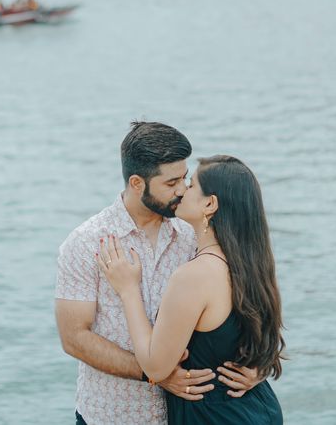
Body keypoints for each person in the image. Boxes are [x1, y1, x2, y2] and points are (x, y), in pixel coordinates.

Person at [56, 122, 265, 425]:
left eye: (184, 179)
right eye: (170, 184)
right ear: (137, 183)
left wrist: (262, 364)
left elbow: (251, 295)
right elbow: (74, 338)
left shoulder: (195, 232)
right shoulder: (86, 243)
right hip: (111, 416)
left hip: (190, 416)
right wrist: (154, 375)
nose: (181, 190)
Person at [97, 155, 285, 424]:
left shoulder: (195, 275)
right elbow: (264, 337)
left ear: (210, 204)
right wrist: (261, 369)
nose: (182, 189)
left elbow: (155, 366)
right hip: (257, 407)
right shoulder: (253, 264)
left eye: (192, 184)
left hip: (215, 415)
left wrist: (128, 291)